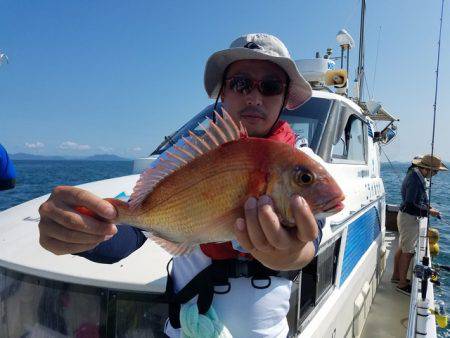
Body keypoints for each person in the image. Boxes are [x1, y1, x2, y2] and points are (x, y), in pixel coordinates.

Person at [38, 33, 321, 337]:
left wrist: (292, 254)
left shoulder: (302, 164)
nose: (254, 97)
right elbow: (134, 222)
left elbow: (310, 239)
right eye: (240, 83)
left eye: (270, 86)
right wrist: (81, 231)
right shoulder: (187, 156)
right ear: (222, 92)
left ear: (284, 97)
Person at [391, 154, 447, 295]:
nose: (435, 174)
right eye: (435, 172)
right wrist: (429, 212)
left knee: (403, 248)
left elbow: (416, 200)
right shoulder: (415, 180)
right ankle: (402, 284)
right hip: (409, 219)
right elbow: (410, 204)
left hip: (407, 217)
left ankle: (396, 277)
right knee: (408, 252)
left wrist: (428, 207)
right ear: (426, 169)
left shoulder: (416, 176)